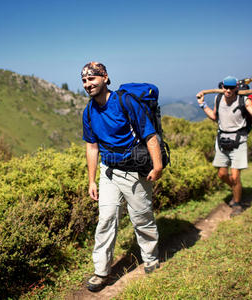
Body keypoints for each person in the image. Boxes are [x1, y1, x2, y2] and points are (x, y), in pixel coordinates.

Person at [81, 62, 162, 292]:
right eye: (84, 81)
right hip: (108, 172)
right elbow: (92, 147)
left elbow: (149, 134)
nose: (88, 84)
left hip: (134, 171)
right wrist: (91, 180)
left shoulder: (125, 102)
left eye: (92, 79)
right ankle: (101, 271)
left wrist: (157, 166)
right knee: (106, 219)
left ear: (105, 78)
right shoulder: (88, 111)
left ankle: (150, 258)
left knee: (141, 217)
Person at [196, 76, 252, 216]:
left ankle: (237, 203)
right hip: (222, 139)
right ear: (222, 87)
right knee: (222, 174)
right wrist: (202, 104)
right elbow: (214, 117)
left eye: (231, 87)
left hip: (239, 140)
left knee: (235, 177)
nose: (228, 90)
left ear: (236, 88)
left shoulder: (244, 100)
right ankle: (238, 189)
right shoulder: (218, 98)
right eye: (226, 87)